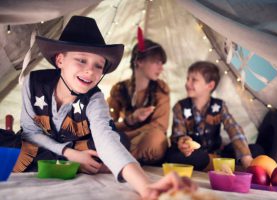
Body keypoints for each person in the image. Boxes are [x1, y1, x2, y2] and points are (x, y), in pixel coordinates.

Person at [0, 16, 195, 199]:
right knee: (10, 141)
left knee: (115, 143)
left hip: (82, 145)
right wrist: (70, 154)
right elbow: (30, 132)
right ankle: (74, 163)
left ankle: (77, 162)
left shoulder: (95, 98)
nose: (90, 71)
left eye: (98, 66)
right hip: (44, 145)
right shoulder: (32, 82)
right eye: (82, 60)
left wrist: (145, 186)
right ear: (60, 60)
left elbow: (105, 138)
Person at [165, 61, 257, 171]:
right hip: (195, 154)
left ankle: (215, 163)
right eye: (187, 79)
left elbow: (233, 128)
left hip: (216, 152)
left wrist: (246, 156)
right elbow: (178, 134)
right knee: (174, 155)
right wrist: (183, 142)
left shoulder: (219, 106)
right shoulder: (180, 106)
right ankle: (214, 164)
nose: (187, 83)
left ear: (210, 85)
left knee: (255, 149)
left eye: (193, 80)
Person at [107, 34, 170, 165]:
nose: (161, 67)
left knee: (156, 137)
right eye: (156, 62)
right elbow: (107, 124)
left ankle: (120, 162)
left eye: (162, 63)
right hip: (124, 138)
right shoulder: (119, 89)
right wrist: (130, 121)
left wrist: (128, 136)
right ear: (139, 61)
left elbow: (160, 126)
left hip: (144, 141)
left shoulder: (161, 90)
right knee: (103, 136)